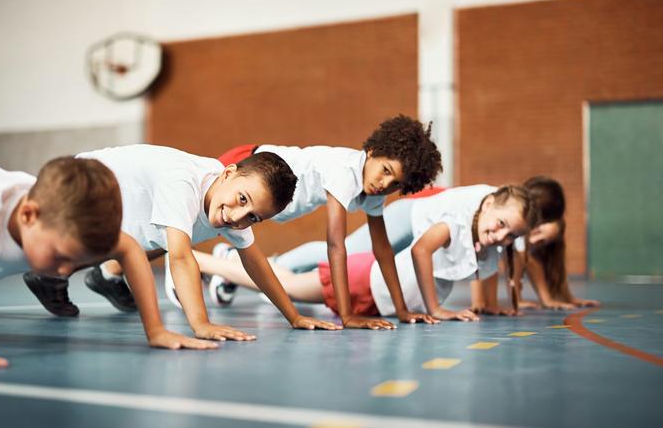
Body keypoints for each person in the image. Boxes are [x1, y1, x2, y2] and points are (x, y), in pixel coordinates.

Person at [0, 157, 212, 370]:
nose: (63, 272)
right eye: (61, 257)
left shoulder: (57, 221)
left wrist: (156, 330)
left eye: (75, 261)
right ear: (29, 215)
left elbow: (130, 248)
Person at [24, 144, 340, 340]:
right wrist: (201, 324)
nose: (238, 217)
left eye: (253, 217)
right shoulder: (182, 181)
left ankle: (68, 277)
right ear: (228, 173)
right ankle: (4, 277)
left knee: (135, 240)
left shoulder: (230, 205)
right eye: (242, 200)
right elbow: (180, 258)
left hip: (125, 216)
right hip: (79, 187)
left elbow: (256, 262)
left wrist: (294, 316)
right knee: (31, 247)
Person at [202, 115, 443, 330]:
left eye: (396, 184)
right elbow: (336, 246)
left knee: (214, 227)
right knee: (196, 219)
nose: (384, 184)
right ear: (372, 151)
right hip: (248, 164)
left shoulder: (373, 193)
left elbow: (383, 250)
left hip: (272, 202)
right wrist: (347, 316)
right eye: (386, 170)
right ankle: (188, 262)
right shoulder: (345, 170)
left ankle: (222, 261)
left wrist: (402, 311)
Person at [195, 184, 536, 322]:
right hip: (395, 236)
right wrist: (436, 308)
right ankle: (216, 261)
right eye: (504, 225)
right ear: (490, 203)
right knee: (290, 281)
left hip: (375, 292)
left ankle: (236, 264)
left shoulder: (490, 241)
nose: (504, 236)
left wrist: (496, 305)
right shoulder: (459, 221)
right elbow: (421, 251)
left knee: (287, 285)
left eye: (513, 235)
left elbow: (494, 269)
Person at [474, 176, 600, 312]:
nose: (535, 242)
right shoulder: (513, 219)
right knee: (506, 254)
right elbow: (480, 258)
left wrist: (562, 297)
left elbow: (542, 260)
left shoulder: (552, 226)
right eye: (537, 233)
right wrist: (480, 301)